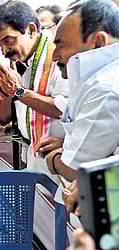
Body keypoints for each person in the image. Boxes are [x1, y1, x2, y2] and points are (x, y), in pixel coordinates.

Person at [0, 0, 69, 199]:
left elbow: (65, 109)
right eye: (0, 45)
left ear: (31, 30)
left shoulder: (59, 57)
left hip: (62, 160)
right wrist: (7, 95)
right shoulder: (19, 65)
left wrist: (19, 92)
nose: (5, 52)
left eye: (8, 41)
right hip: (35, 159)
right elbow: (4, 118)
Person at [44, 0, 119, 185]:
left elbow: (74, 169)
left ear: (98, 42)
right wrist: (66, 147)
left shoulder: (105, 89)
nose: (54, 56)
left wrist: (53, 161)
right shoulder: (97, 82)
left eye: (61, 45)